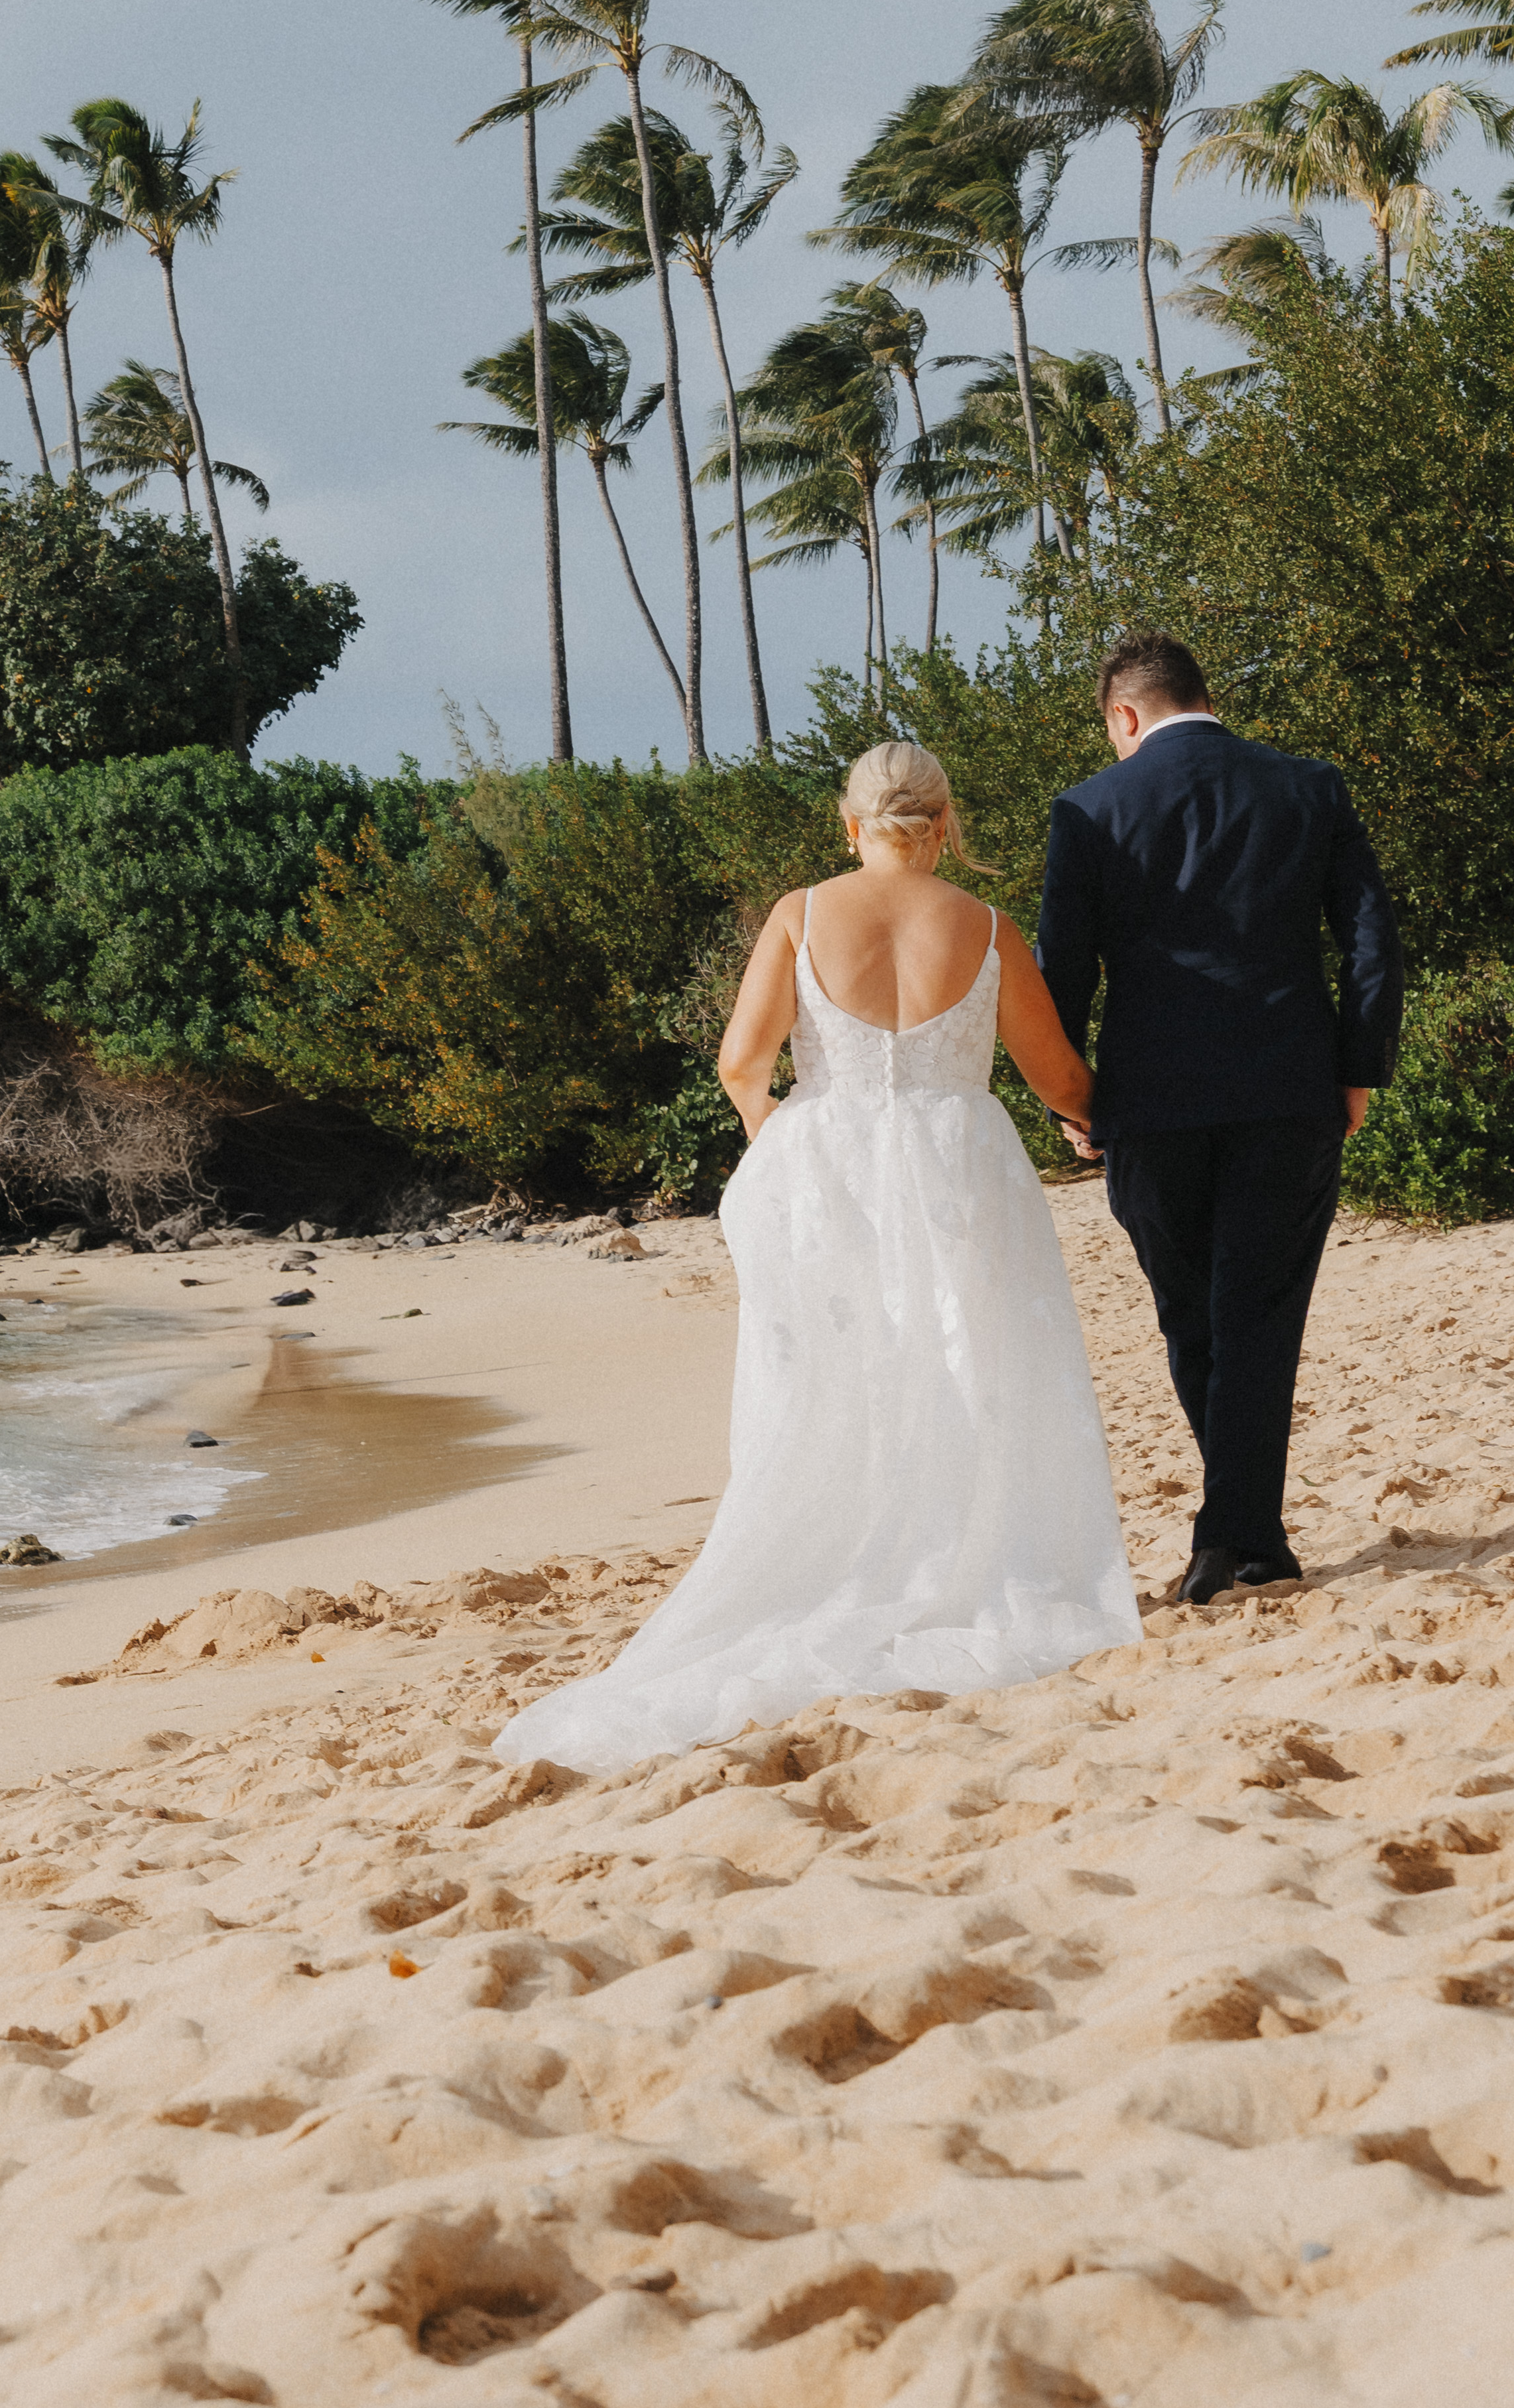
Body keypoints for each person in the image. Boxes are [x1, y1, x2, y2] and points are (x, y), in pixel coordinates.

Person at [492, 740, 1138, 1777]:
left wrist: (780, 1141)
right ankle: (952, 1560)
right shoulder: (983, 927)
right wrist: (1087, 1123)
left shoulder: (801, 913)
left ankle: (856, 1555)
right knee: (964, 1369)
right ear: (944, 825)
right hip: (957, 1167)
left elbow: (742, 1061)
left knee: (833, 1383)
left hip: (829, 1170)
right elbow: (1055, 1071)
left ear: (849, 824)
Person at [1035, 630, 1403, 1608]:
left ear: (1123, 715)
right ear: (1200, 696)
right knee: (1258, 1320)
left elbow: (1059, 974)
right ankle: (1247, 1536)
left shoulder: (1086, 810)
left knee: (1190, 1318)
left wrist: (1069, 1098)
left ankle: (1232, 1535)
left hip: (1148, 1104)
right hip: (1289, 1089)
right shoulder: (1308, 785)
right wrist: (1357, 1067)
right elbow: (1369, 937)